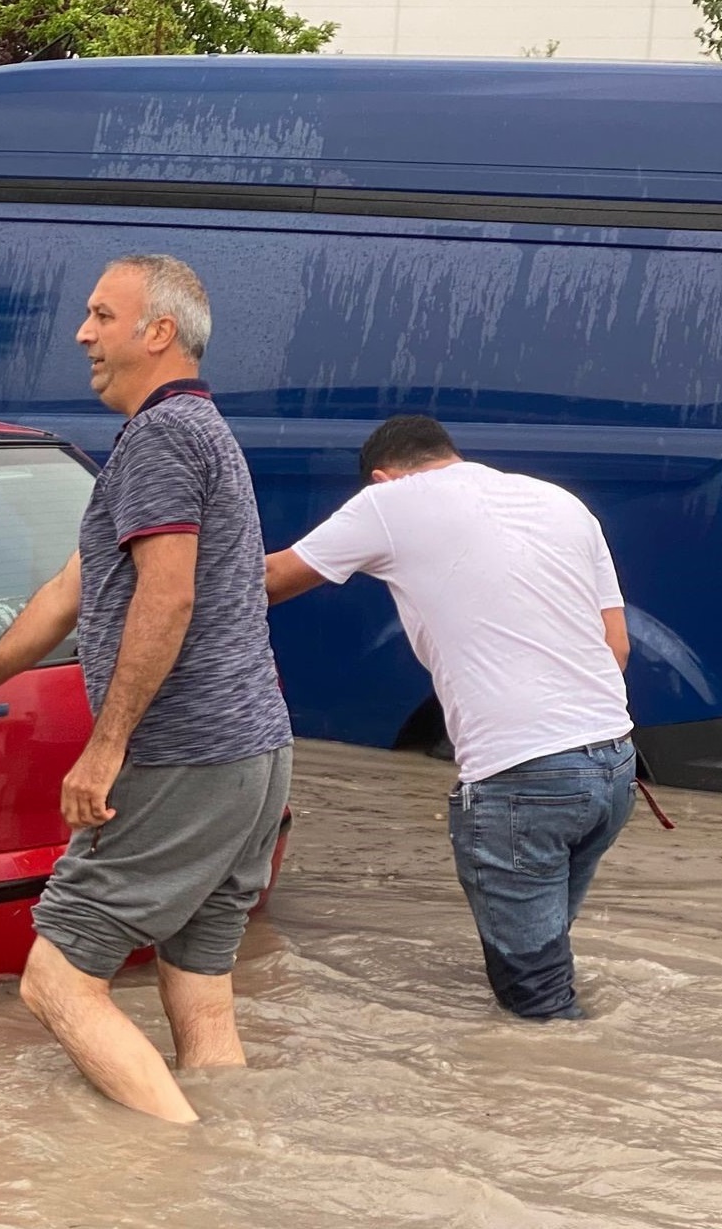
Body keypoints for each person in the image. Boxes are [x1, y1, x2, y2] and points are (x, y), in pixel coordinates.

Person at [0, 255, 293, 1123]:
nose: (82, 333)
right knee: (200, 983)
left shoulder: (162, 439)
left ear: (159, 334)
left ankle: (173, 1167)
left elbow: (169, 591)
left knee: (55, 981)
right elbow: (66, 594)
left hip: (182, 757)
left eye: (103, 315)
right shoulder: (193, 434)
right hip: (253, 758)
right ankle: (236, 1176)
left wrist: (104, 748)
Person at [265, 415, 634, 1020]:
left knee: (537, 1010)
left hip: (522, 780)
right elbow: (614, 647)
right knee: (545, 960)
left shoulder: (390, 503)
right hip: (612, 767)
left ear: (382, 479)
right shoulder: (562, 503)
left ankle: (559, 1099)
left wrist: (149, 585)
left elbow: (271, 580)